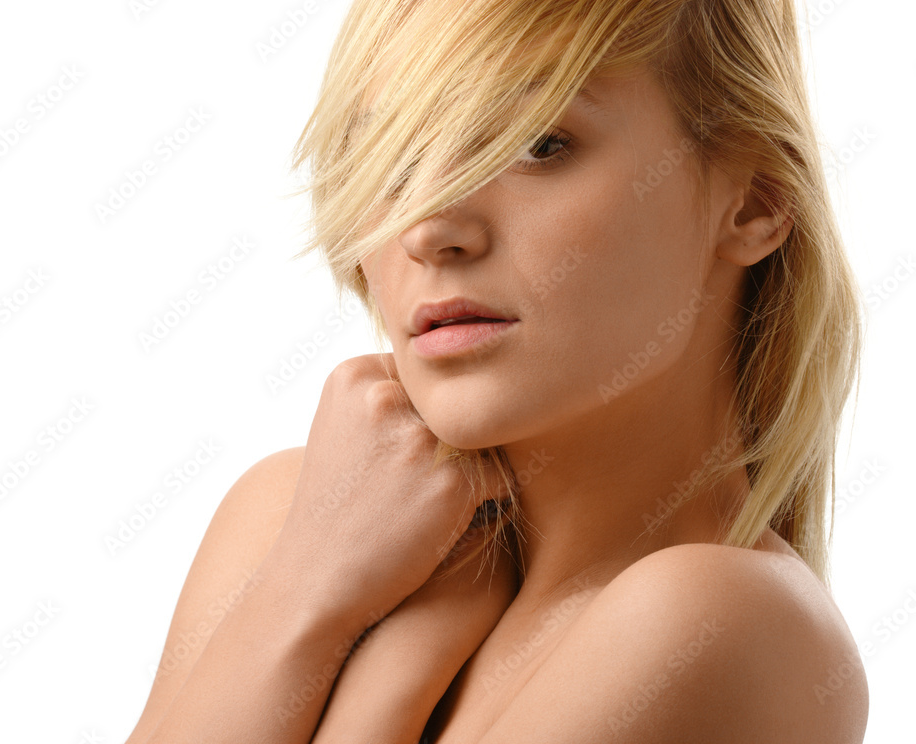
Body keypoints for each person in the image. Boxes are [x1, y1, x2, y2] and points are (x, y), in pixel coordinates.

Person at [125, 0, 870, 741]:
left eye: (536, 143)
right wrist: (306, 589)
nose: (428, 228)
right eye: (390, 156)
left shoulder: (717, 619)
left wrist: (389, 663)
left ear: (757, 201)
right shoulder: (286, 521)